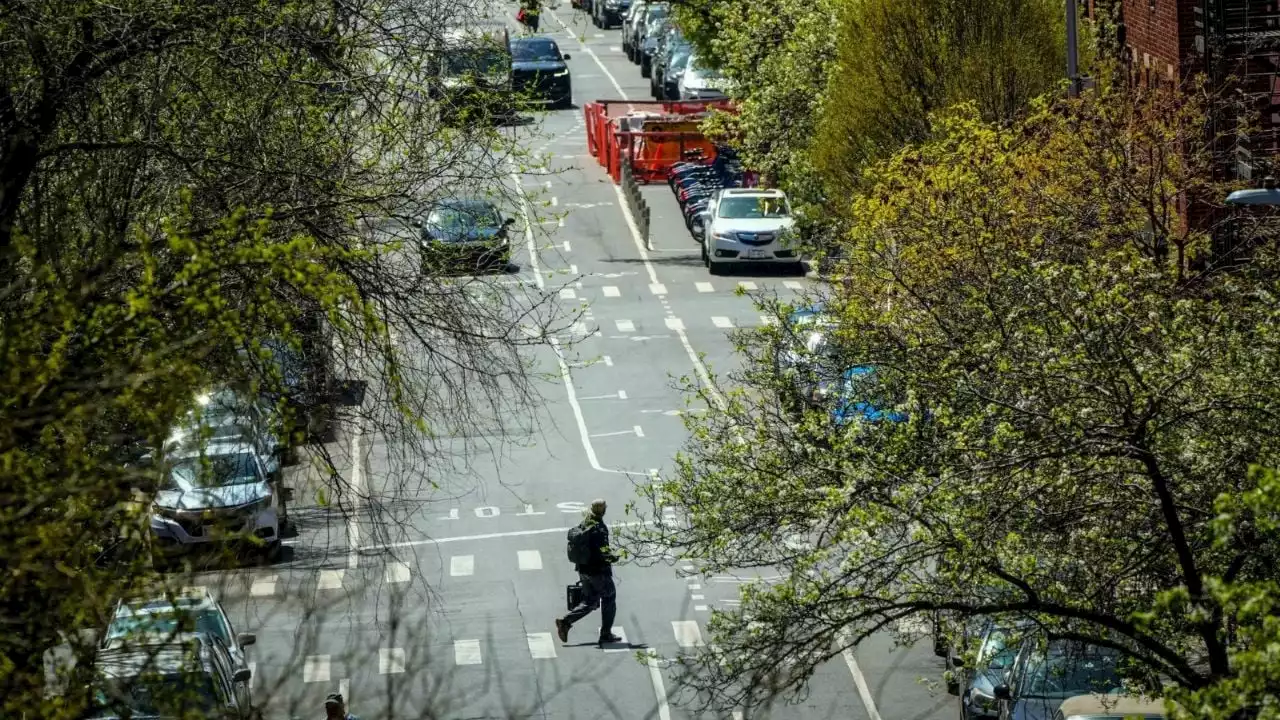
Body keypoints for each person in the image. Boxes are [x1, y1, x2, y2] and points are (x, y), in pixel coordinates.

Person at [555, 498, 621, 646]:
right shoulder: (600, 528)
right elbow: (601, 551)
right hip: (598, 571)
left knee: (590, 601)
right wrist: (613, 557)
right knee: (609, 597)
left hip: (583, 570)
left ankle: (565, 622)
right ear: (603, 510)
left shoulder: (585, 523)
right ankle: (605, 634)